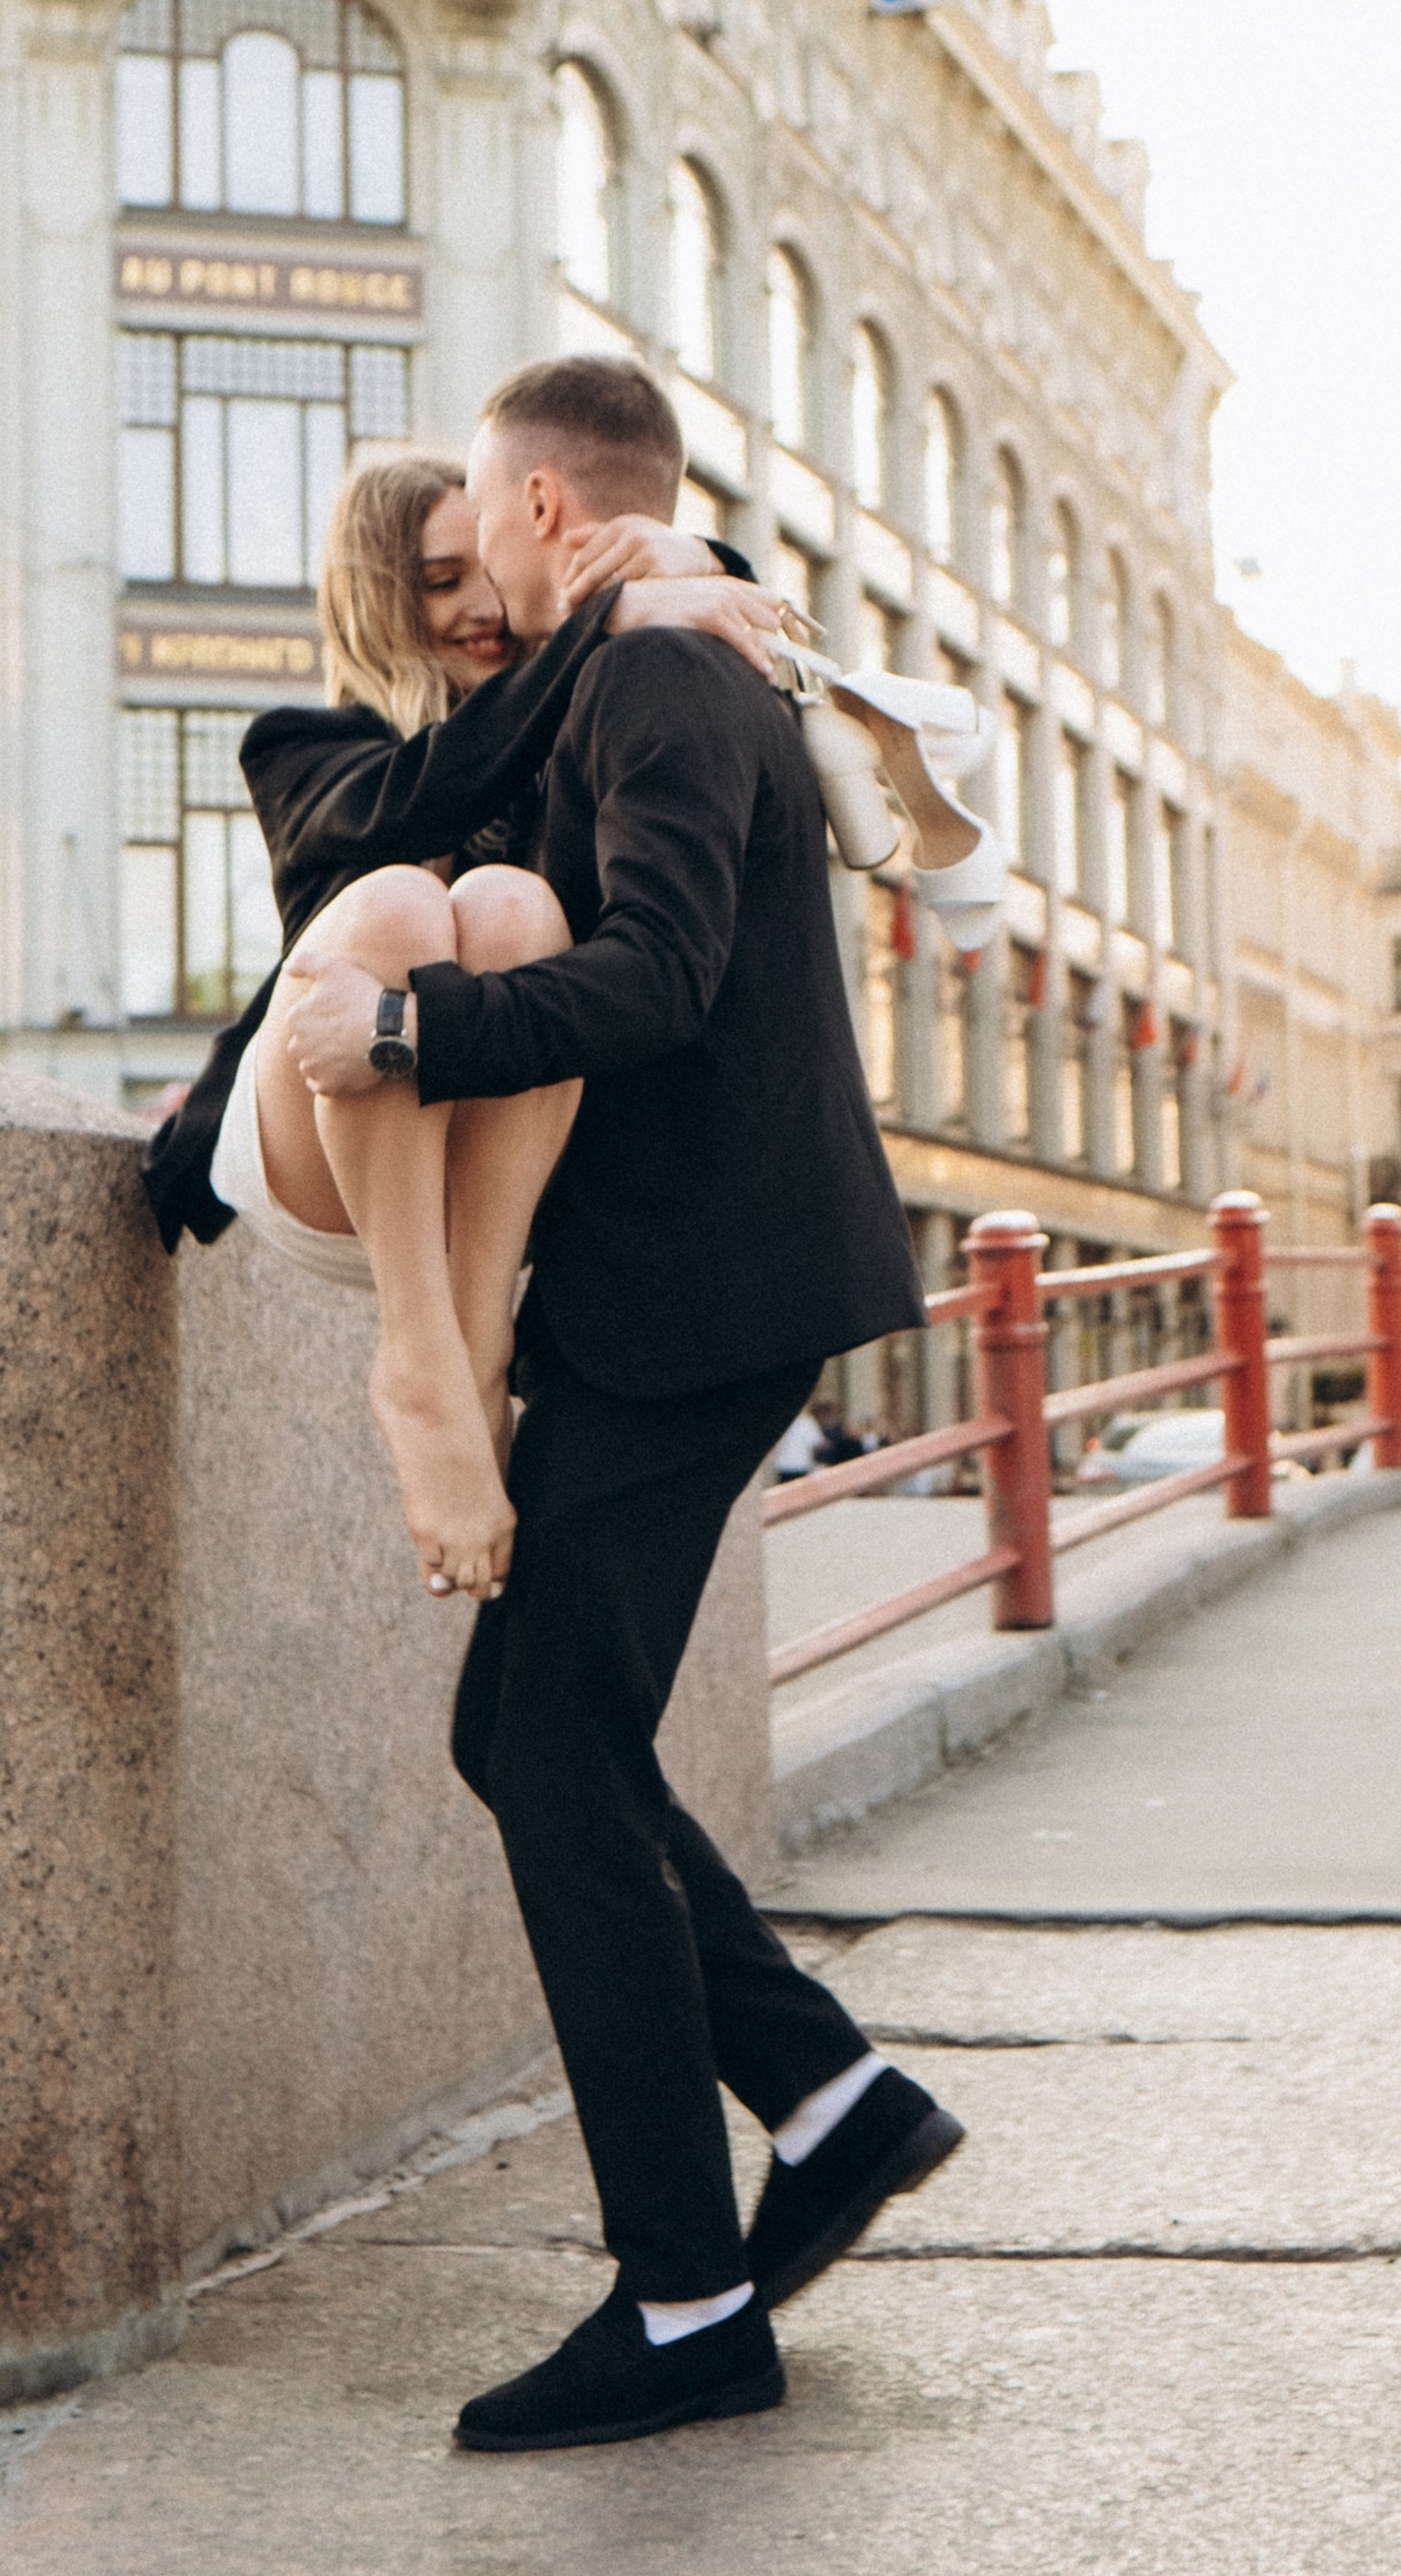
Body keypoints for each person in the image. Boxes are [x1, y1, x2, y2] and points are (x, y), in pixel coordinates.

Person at [287, 353, 964, 2457]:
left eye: (482, 517)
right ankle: (835, 2104)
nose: (468, 558)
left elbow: (663, 973)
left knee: (547, 1746)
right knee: (528, 1726)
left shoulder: (667, 678)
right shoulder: (639, 655)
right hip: (690, 1285)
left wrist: (412, 1022)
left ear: (543, 503)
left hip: (704, 1285)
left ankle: (683, 2299)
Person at [143, 449, 784, 1597]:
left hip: (498, 1161)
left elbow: (758, 656)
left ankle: (475, 1338)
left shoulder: (575, 718)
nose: (482, 609)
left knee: (512, 903)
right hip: (334, 1156)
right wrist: (612, 616)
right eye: (440, 581)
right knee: (398, 899)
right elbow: (437, 787)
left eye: (487, 570)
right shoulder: (300, 746)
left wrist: (694, 564)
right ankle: (423, 1360)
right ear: (380, 596)